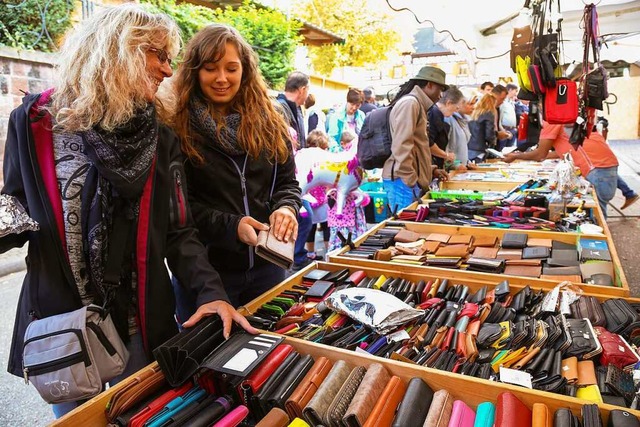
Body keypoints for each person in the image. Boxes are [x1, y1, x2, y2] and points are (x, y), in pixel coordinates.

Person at [0, 5, 256, 418]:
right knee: (76, 420)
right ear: (116, 50)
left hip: (139, 321)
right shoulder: (32, 123)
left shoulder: (161, 136)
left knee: (140, 414)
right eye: (159, 55)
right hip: (60, 323)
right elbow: (16, 203)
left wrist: (212, 295)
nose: (168, 71)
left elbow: (179, 230)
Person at [169, 24, 301, 308]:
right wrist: (232, 226)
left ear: (245, 70)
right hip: (207, 278)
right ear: (195, 71)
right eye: (210, 68)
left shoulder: (271, 121)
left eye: (231, 68)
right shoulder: (176, 127)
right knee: (212, 351)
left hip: (269, 267)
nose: (221, 78)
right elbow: (180, 209)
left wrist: (286, 208)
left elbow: (288, 183)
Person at [505, 123, 619, 217]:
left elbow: (540, 154)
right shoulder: (567, 117)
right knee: (596, 211)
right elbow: (566, 149)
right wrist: (544, 156)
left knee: (596, 214)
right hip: (604, 166)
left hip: (597, 169)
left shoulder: (552, 121)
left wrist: (516, 156)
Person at [382, 65, 449, 211]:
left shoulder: (417, 104)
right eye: (440, 89)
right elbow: (401, 145)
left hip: (405, 181)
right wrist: (411, 180)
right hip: (402, 182)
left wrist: (429, 170)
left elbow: (417, 147)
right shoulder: (410, 103)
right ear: (429, 85)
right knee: (405, 230)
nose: (441, 95)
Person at [303, 130, 331, 260]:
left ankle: (311, 253)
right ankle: (328, 252)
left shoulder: (303, 156)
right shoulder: (323, 158)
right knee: (325, 225)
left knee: (312, 226)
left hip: (311, 195)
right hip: (321, 195)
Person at [427, 86, 465, 168]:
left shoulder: (439, 115)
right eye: (456, 107)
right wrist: (446, 155)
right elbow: (428, 142)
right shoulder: (435, 114)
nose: (456, 111)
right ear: (449, 103)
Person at [445, 90, 477, 169]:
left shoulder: (464, 120)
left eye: (474, 103)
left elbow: (461, 149)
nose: (474, 107)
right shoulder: (449, 119)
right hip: (451, 170)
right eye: (470, 104)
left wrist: (467, 162)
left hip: (461, 169)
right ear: (460, 103)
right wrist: (456, 164)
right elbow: (446, 150)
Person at [277, 71, 310, 148]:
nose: (308, 94)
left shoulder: (297, 109)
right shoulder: (279, 109)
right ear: (302, 90)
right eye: (308, 89)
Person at [467, 94, 498, 162]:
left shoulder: (474, 112)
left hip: (469, 146)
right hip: (480, 147)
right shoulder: (489, 114)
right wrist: (493, 142)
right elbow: (489, 134)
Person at [498, 83, 518, 150]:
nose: (516, 93)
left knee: (509, 150)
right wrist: (503, 130)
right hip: (505, 129)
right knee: (502, 149)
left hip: (512, 129)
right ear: (510, 90)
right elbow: (499, 117)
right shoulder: (503, 102)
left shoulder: (511, 102)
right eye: (515, 91)